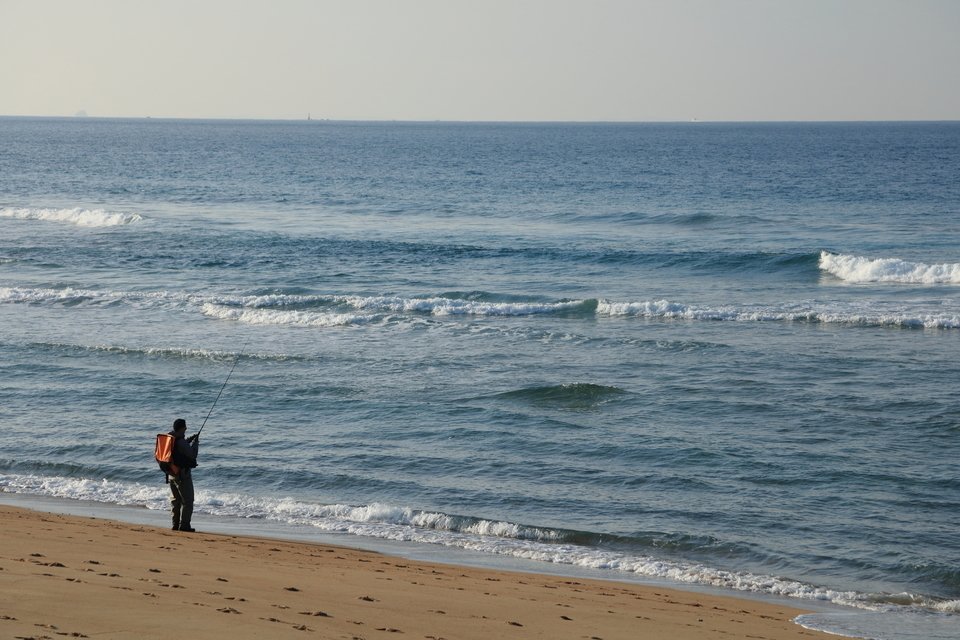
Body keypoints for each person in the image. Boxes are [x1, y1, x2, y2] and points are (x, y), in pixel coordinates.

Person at [168, 418, 199, 532]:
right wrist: (196, 443)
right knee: (188, 501)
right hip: (182, 475)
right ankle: (185, 525)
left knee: (175, 500)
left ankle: (175, 524)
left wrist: (189, 440)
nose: (186, 428)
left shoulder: (171, 438)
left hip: (171, 474)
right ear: (182, 428)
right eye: (185, 427)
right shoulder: (180, 442)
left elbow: (180, 448)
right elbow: (192, 455)